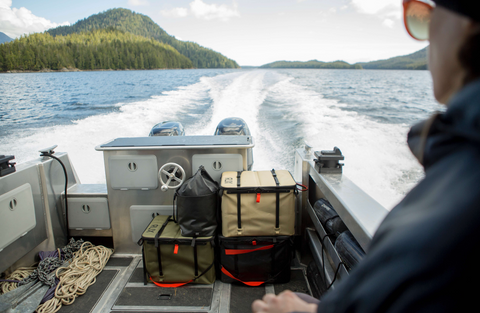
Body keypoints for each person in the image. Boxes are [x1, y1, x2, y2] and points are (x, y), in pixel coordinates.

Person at [252, 0, 480, 312]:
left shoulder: (464, 179)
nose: (426, 38)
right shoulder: (458, 161)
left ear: (467, 25)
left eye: (426, 18)